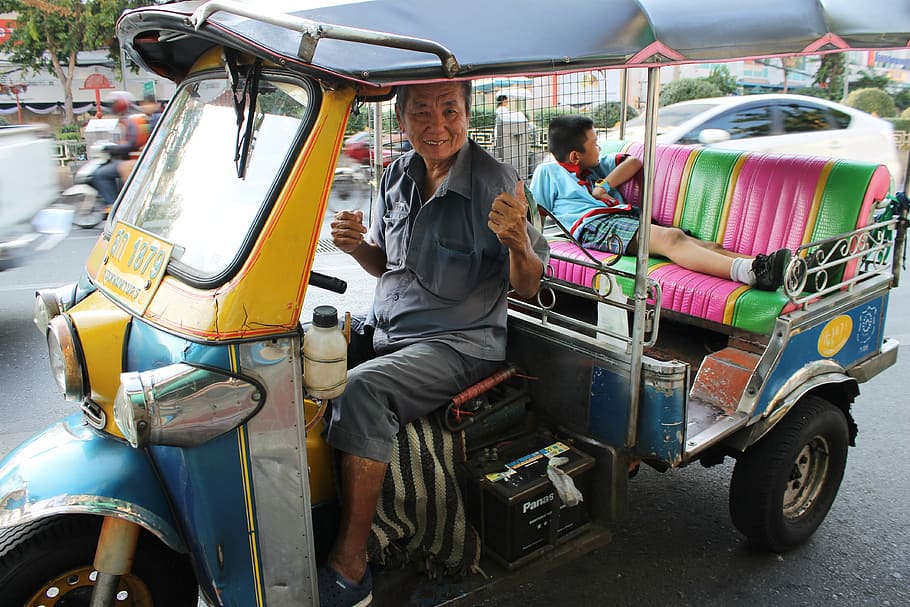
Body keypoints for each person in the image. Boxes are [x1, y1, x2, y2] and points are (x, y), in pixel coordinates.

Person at [323, 80, 548, 607]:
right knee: (297, 361)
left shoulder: (498, 183)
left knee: (359, 391)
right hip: (393, 333)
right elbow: (388, 266)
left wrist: (518, 242)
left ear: (468, 117)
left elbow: (528, 285)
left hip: (460, 344)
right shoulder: (397, 174)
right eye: (422, 112)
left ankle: (349, 566)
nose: (437, 124)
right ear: (402, 121)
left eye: (450, 110)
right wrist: (359, 249)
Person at [530, 114, 792, 290]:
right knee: (671, 239)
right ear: (576, 156)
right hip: (594, 226)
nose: (600, 149)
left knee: (706, 244)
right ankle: (749, 272)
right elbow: (535, 214)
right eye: (595, 144)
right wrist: (536, 252)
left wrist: (604, 186)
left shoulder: (596, 169)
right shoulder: (549, 172)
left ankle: (776, 269)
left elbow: (633, 161)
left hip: (623, 218)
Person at [90, 92, 149, 210]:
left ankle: (111, 205)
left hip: (133, 161)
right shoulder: (134, 117)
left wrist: (109, 147)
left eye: (114, 103)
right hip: (135, 159)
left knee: (100, 174)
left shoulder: (133, 120)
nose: (113, 106)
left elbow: (131, 144)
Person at [117, 94, 162, 182]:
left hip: (154, 155)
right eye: (143, 104)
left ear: (157, 105)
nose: (145, 107)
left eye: (148, 104)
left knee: (124, 168)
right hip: (146, 154)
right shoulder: (144, 119)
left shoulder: (157, 118)